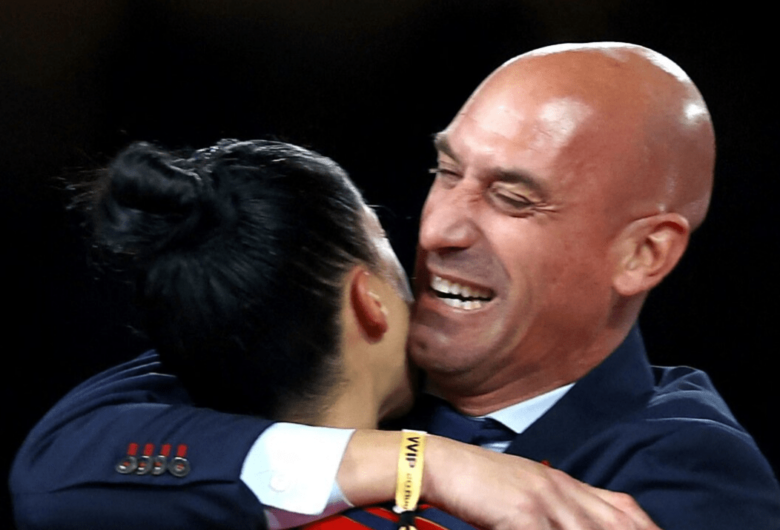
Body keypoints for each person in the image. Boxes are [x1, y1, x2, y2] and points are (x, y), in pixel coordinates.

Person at [11, 42, 780, 530]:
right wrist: (423, 461)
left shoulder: (687, 469)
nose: (440, 228)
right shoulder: (325, 345)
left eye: (513, 198)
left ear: (643, 253)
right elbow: (57, 468)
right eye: (447, 171)